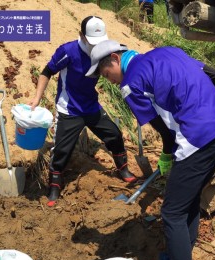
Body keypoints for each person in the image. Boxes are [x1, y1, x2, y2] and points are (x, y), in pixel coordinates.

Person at [85, 40, 215, 260]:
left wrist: (167, 155)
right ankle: (180, 257)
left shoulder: (130, 85)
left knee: (172, 212)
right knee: (185, 200)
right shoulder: (168, 51)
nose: (106, 80)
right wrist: (214, 111)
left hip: (197, 140)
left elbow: (164, 131)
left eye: (104, 73)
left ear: (114, 58)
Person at [28, 17, 136, 207]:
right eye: (92, 42)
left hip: (91, 106)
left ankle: (123, 169)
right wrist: (37, 98)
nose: (96, 46)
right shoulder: (68, 51)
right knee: (62, 149)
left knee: (114, 134)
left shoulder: (105, 51)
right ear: (82, 36)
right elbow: (46, 72)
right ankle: (54, 186)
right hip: (69, 108)